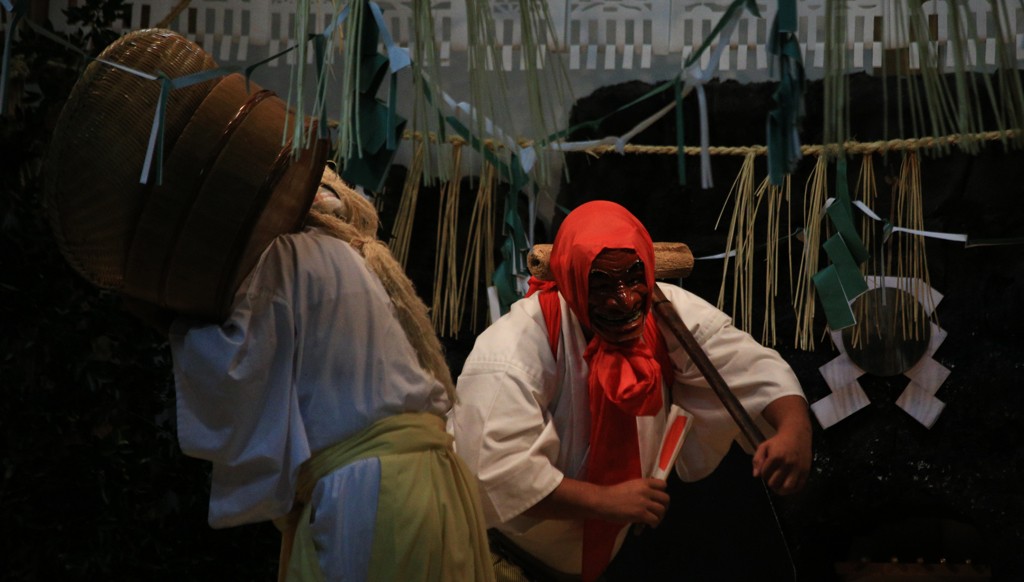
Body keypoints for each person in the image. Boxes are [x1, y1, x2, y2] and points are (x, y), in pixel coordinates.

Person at [158, 169, 496, 582]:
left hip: (374, 494)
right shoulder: (353, 255)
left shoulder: (288, 255)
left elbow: (235, 368)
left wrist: (173, 325)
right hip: (433, 484)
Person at [450, 200, 811, 581]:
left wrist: (793, 431)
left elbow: (751, 368)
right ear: (572, 282)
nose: (622, 300)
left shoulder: (668, 313)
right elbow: (495, 472)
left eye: (632, 278)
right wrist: (605, 501)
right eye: (602, 284)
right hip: (488, 553)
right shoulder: (514, 347)